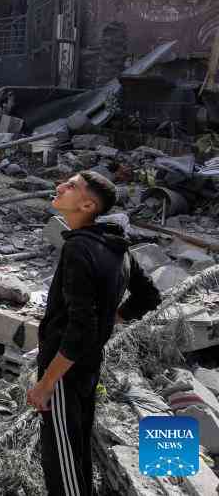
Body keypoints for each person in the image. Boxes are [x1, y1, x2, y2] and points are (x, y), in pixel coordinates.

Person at [27, 171, 161, 496]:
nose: (60, 186)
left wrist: (46, 384)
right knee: (76, 451)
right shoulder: (117, 248)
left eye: (71, 186)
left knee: (62, 463)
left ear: (87, 205)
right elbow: (149, 296)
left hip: (64, 372)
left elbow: (80, 330)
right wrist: (110, 318)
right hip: (87, 366)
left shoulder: (79, 248)